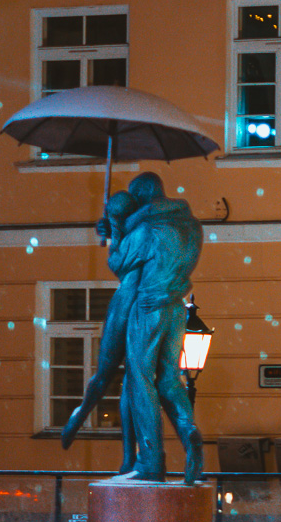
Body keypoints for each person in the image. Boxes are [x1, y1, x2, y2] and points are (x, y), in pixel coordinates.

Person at [60, 172, 205, 483]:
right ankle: (188, 430)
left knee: (140, 381)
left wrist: (115, 229)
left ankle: (150, 461)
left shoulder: (147, 228)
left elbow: (118, 264)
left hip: (147, 306)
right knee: (169, 382)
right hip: (176, 308)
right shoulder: (192, 225)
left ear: (140, 198)